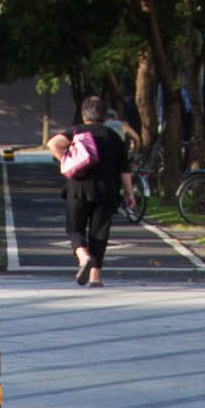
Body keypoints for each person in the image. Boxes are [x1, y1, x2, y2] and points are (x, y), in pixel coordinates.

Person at [53, 99, 134, 286]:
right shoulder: (114, 137)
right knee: (100, 233)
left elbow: (53, 143)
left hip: (77, 188)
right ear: (105, 117)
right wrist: (129, 193)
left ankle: (83, 257)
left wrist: (65, 161)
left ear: (83, 114)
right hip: (106, 190)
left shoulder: (76, 132)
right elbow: (124, 170)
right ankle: (95, 277)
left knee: (74, 228)